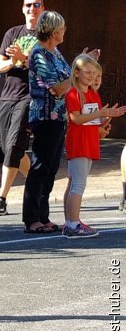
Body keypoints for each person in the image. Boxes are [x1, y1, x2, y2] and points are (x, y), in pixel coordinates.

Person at [0, 0, 44, 216]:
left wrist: (22, 58)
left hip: (29, 96)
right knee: (7, 148)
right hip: (7, 96)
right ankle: (38, 184)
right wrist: (15, 59)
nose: (32, 8)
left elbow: (42, 68)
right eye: (28, 5)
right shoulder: (12, 33)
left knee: (13, 145)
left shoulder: (45, 36)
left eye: (37, 5)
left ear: (43, 9)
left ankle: (1, 199)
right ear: (23, 8)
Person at [62, 55, 126, 238]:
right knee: (78, 185)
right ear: (76, 72)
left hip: (89, 144)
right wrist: (101, 112)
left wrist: (105, 121)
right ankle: (72, 224)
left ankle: (70, 222)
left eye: (95, 73)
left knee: (76, 182)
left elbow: (92, 123)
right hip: (78, 144)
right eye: (88, 72)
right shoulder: (74, 93)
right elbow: (75, 119)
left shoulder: (93, 94)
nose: (92, 76)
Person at [22, 11, 72, 234]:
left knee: (51, 169)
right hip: (44, 116)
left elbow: (68, 78)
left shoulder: (56, 52)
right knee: (40, 167)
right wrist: (78, 73)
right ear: (53, 32)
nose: (64, 32)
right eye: (61, 29)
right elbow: (58, 88)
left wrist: (82, 64)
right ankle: (31, 219)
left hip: (58, 117)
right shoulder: (39, 53)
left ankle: (43, 216)